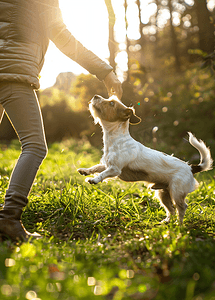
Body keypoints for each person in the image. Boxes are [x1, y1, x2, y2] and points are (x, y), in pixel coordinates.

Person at [0, 0, 123, 241]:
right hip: (13, 72)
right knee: (34, 146)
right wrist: (105, 71)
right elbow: (62, 37)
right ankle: (8, 219)